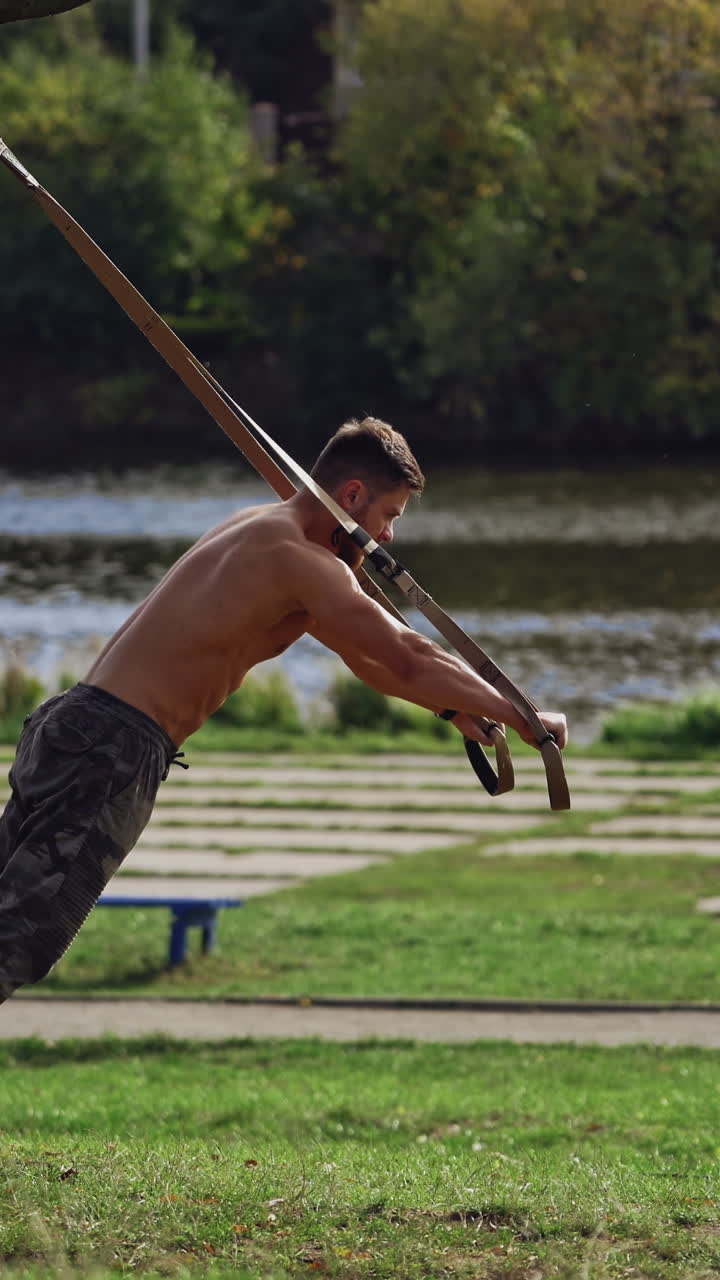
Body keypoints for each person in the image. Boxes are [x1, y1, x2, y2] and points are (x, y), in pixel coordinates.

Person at [0, 417, 567, 1002]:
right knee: (18, 941)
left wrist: (453, 710)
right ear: (352, 496)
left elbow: (368, 658)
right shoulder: (303, 561)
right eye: (390, 516)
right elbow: (407, 655)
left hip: (69, 724)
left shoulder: (258, 527)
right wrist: (525, 716)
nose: (389, 538)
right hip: (113, 750)